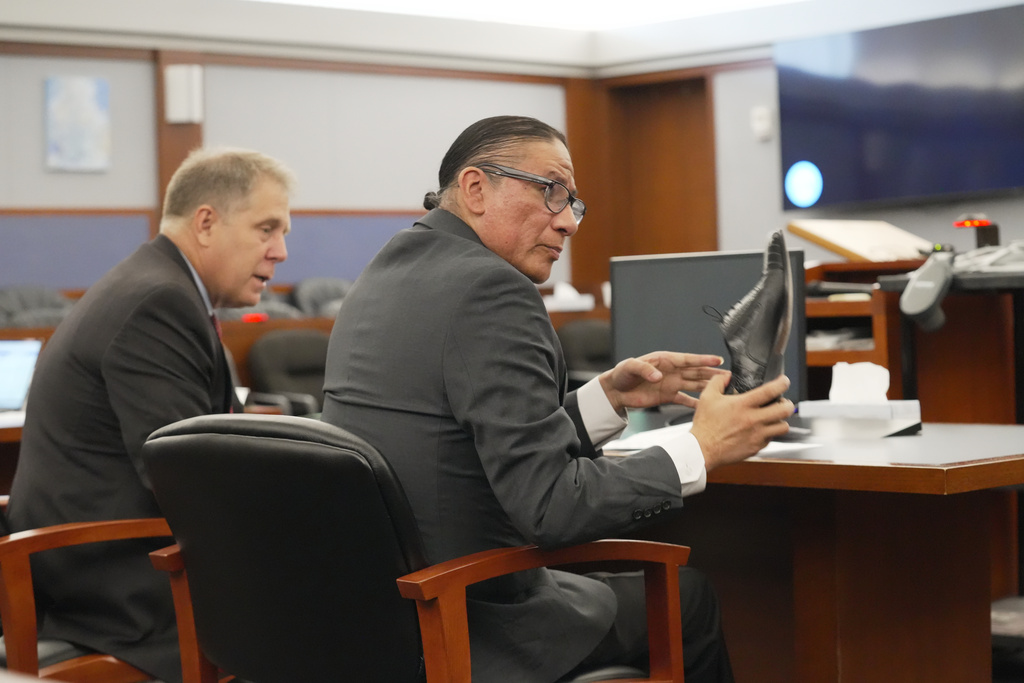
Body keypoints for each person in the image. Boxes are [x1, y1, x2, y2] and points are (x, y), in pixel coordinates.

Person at [321, 115, 793, 682]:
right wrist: (702, 447)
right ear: (475, 189)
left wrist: (608, 398)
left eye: (573, 202)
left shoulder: (386, 271)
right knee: (688, 596)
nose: (569, 222)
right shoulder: (493, 289)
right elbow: (552, 507)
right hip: (470, 619)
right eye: (552, 192)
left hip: (375, 618)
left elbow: (465, 442)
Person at [6, 147, 294, 683]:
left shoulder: (161, 286)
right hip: (118, 587)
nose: (280, 252)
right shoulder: (158, 302)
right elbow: (187, 480)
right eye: (266, 229)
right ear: (206, 222)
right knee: (340, 595)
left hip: (109, 558)